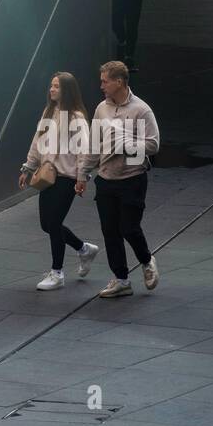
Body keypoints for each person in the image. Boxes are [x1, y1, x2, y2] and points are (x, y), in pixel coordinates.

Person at [77, 60, 160, 298]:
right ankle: (121, 279)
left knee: (129, 228)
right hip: (105, 179)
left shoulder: (141, 109)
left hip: (132, 178)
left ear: (119, 82)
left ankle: (146, 260)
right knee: (109, 231)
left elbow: (154, 144)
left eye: (105, 81)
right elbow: (93, 144)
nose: (101, 85)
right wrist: (83, 174)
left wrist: (127, 145)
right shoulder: (101, 109)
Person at [19, 72, 98, 290]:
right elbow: (37, 142)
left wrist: (82, 177)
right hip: (47, 175)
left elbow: (85, 151)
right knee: (47, 224)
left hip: (67, 177)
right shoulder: (49, 111)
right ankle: (84, 249)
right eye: (51, 85)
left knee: (53, 223)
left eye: (56, 87)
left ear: (67, 90)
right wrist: (28, 167)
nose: (52, 90)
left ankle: (57, 273)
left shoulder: (76, 118)